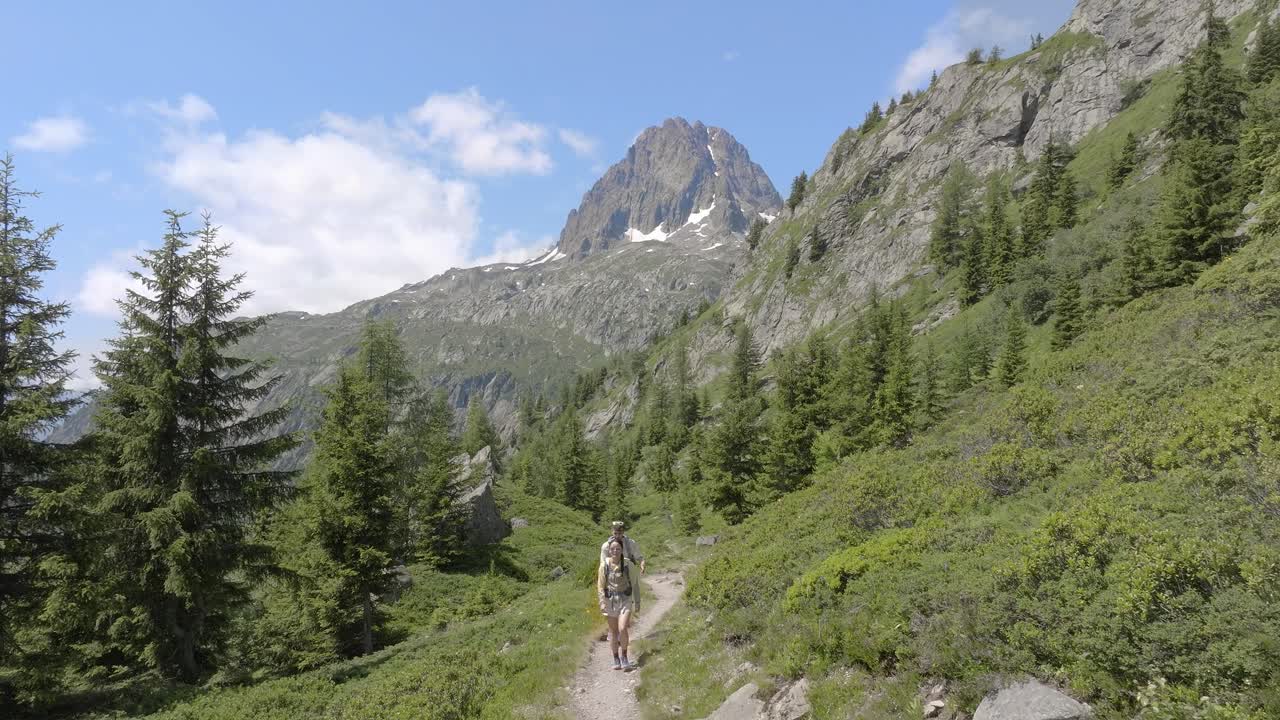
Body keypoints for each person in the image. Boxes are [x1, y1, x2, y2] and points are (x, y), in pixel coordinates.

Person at [597, 537, 640, 670]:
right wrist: (602, 602)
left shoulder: (628, 564)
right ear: (609, 550)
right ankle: (616, 658)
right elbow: (600, 586)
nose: (615, 551)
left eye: (618, 549)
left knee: (622, 628)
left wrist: (637, 601)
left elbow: (635, 583)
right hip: (610, 601)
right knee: (614, 631)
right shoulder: (604, 565)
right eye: (613, 549)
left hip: (625, 599)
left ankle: (624, 657)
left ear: (622, 550)